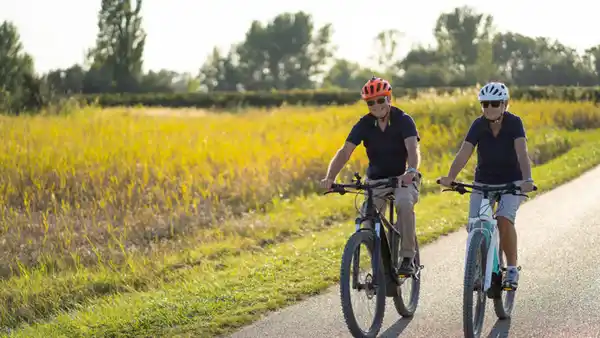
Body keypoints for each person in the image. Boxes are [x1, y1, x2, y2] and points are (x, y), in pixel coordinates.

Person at [319, 76, 422, 275]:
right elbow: (345, 152)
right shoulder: (364, 124)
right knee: (366, 222)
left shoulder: (403, 120)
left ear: (389, 99)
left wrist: (411, 170)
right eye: (370, 102)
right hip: (376, 181)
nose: (376, 106)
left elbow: (412, 148)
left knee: (404, 204)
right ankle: (382, 263)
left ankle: (408, 257)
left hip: (403, 178)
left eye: (380, 100)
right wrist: (330, 177)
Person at [438, 81, 534, 290]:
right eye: (485, 104)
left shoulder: (514, 123)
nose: (489, 108)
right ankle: (480, 270)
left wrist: (527, 179)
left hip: (512, 183)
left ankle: (510, 269)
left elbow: (522, 153)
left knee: (503, 219)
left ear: (504, 104)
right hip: (484, 183)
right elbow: (464, 152)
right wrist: (450, 177)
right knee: (476, 223)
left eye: (494, 103)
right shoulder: (478, 125)